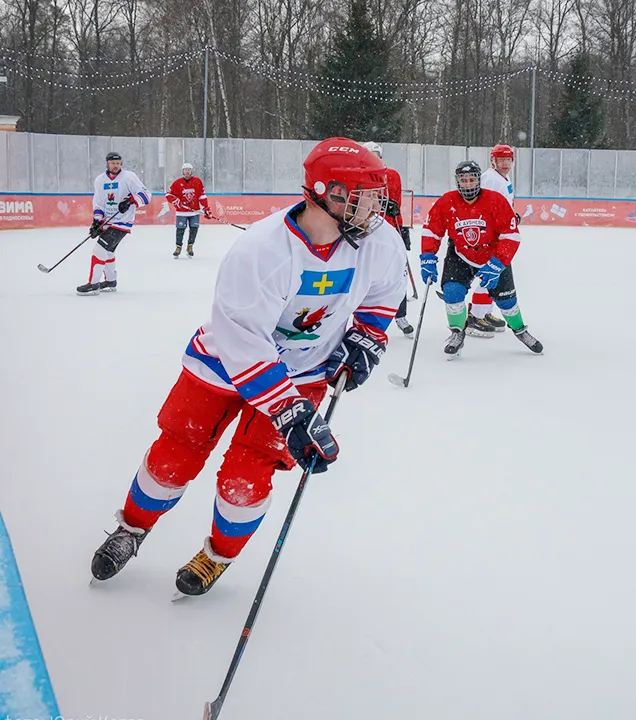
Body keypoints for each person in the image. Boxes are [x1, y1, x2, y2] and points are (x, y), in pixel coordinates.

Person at [89, 138, 406, 596]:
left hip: (305, 372)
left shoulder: (379, 241)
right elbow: (244, 342)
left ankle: (217, 555)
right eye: (364, 197)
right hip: (221, 366)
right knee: (175, 453)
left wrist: (367, 338)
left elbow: (383, 295)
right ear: (327, 192)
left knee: (248, 473)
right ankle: (132, 529)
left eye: (378, 197)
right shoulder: (262, 250)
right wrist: (290, 411)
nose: (374, 209)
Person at [420, 160, 542, 359]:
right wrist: (427, 257)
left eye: (472, 179)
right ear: (457, 181)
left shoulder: (495, 200)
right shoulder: (446, 201)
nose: (468, 184)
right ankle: (457, 333)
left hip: (492, 256)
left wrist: (498, 263)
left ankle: (520, 330)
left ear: (479, 180)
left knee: (507, 301)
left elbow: (511, 235)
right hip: (460, 255)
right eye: (463, 180)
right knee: (452, 292)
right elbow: (432, 230)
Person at [76, 152, 151, 296]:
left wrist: (131, 201)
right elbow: (98, 202)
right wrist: (97, 222)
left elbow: (146, 195)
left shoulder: (129, 177)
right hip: (107, 222)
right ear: (107, 164)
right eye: (112, 163)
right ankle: (110, 281)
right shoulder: (100, 180)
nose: (115, 166)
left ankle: (93, 284)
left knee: (99, 250)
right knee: (108, 251)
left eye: (118, 163)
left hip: (122, 223)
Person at [362, 141, 415, 336]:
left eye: (377, 155)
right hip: (365, 232)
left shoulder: (391, 175)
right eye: (370, 155)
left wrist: (402, 229)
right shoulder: (357, 177)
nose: (374, 159)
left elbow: (396, 205)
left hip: (390, 231)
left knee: (397, 274)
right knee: (364, 275)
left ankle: (400, 315)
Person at [467, 145, 518, 337]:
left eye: (508, 160)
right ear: (493, 161)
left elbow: (503, 204)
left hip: (501, 233)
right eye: (501, 160)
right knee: (491, 273)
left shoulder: (503, 178)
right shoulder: (489, 178)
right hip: (490, 236)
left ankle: (485, 312)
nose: (505, 164)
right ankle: (475, 316)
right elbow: (482, 206)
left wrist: (512, 216)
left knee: (496, 273)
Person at [165, 162, 211, 258]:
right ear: (183, 171)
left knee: (194, 229)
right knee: (180, 229)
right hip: (181, 212)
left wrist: (206, 208)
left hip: (194, 211)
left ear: (191, 171)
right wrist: (175, 201)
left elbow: (202, 196)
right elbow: (168, 195)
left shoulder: (197, 181)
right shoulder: (177, 183)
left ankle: (190, 246)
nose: (187, 172)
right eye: (185, 170)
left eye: (189, 170)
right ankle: (178, 247)